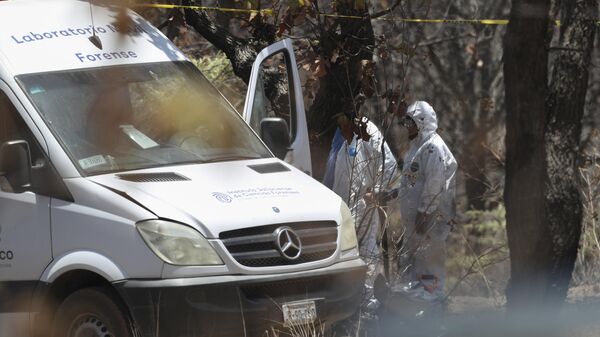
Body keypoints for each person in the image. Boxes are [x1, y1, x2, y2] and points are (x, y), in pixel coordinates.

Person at [397, 101, 457, 301]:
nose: (407, 128)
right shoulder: (417, 148)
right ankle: (418, 299)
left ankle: (433, 302)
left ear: (421, 123)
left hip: (430, 218)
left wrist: (425, 212)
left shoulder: (433, 147)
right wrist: (392, 194)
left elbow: (435, 182)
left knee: (431, 259)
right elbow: (411, 183)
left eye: (410, 123)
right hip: (418, 220)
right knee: (418, 260)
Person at [331, 113, 398, 291]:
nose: (342, 129)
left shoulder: (367, 131)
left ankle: (367, 295)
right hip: (345, 208)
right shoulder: (343, 145)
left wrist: (377, 191)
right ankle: (353, 296)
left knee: (366, 252)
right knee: (347, 253)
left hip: (364, 204)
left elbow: (389, 162)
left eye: (344, 125)